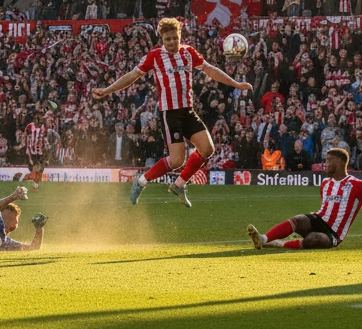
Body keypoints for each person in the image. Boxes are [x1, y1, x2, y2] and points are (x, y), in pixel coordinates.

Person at [93, 16, 252, 208]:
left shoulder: (188, 53)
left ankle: (179, 184)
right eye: (167, 39)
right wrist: (108, 89)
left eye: (175, 38)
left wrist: (236, 84)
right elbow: (132, 76)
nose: (172, 42)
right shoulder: (155, 56)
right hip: (170, 114)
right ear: (162, 39)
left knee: (207, 149)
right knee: (177, 160)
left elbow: (211, 70)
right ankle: (141, 181)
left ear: (180, 36)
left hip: (188, 111)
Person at [246, 147, 362, 251]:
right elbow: (325, 207)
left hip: (333, 234)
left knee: (312, 239)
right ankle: (263, 239)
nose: (325, 164)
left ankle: (280, 244)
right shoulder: (326, 183)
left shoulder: (358, 185)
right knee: (298, 219)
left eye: (328, 160)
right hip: (319, 220)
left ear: (339, 163)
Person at [23, 110, 50, 191]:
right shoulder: (30, 126)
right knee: (35, 168)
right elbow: (25, 136)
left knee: (40, 169)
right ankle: (35, 185)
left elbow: (45, 136)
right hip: (32, 151)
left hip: (41, 151)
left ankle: (35, 184)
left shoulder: (43, 127)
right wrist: (26, 146)